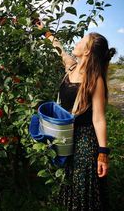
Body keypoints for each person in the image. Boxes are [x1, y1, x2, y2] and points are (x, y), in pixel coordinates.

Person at [36, 21, 116, 211]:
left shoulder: (94, 79)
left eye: (82, 41)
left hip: (84, 139)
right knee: (69, 179)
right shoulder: (71, 67)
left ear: (87, 52)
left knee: (83, 185)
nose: (77, 43)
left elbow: (98, 118)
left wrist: (103, 153)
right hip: (65, 134)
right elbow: (59, 48)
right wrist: (45, 31)